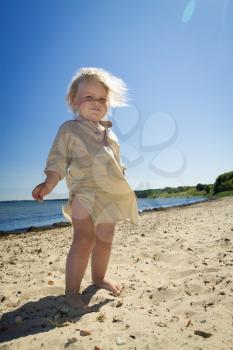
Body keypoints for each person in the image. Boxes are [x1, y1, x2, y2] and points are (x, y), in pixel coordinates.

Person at [32, 67, 139, 309]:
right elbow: (57, 159)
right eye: (89, 97)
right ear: (74, 101)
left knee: (105, 238)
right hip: (84, 192)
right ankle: (71, 290)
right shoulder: (69, 129)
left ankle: (99, 278)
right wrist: (49, 183)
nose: (96, 102)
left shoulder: (110, 133)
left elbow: (115, 161)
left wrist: (121, 174)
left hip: (110, 193)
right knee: (83, 237)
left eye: (102, 98)